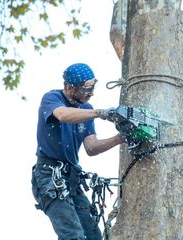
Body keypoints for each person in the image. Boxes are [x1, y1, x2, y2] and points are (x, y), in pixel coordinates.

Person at [31, 63, 123, 240]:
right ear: (69, 87)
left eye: (92, 87)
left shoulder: (87, 109)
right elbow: (63, 116)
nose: (91, 93)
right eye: (86, 89)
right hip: (49, 177)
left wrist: (120, 138)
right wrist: (99, 113)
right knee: (73, 235)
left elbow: (91, 147)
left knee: (93, 236)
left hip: (72, 180)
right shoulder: (52, 98)